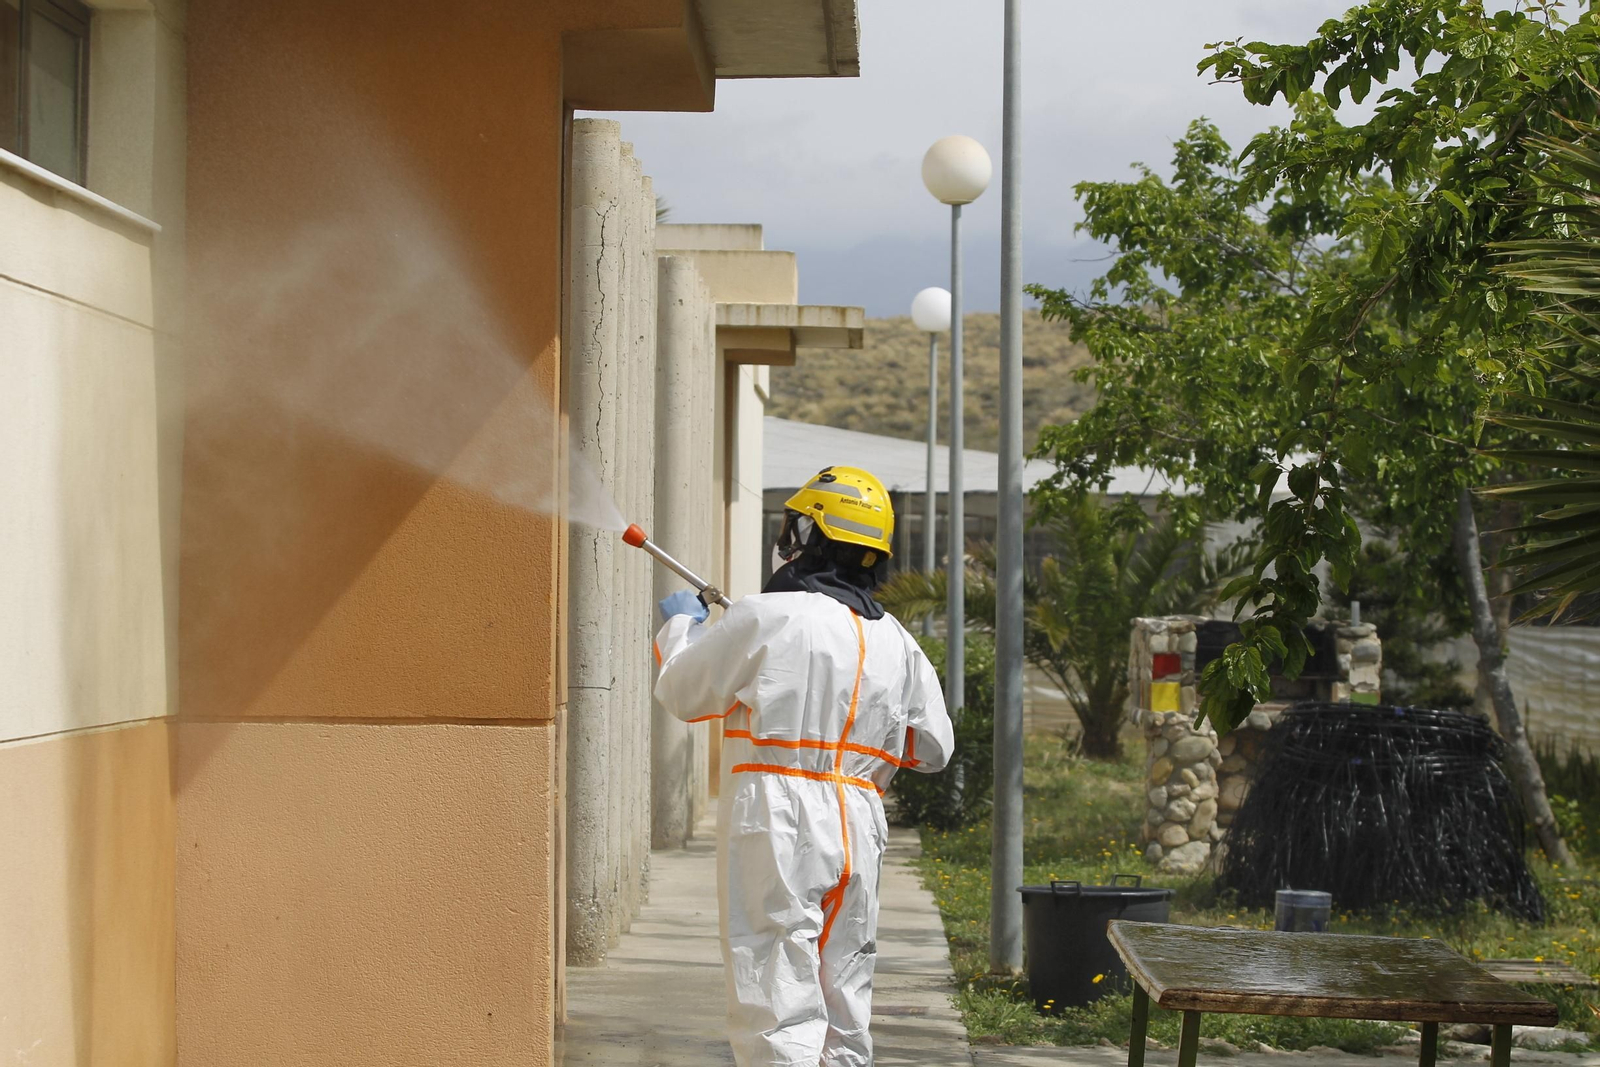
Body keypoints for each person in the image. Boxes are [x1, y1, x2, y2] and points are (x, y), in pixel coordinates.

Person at [652, 465, 954, 1067]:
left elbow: (683, 693)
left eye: (795, 527)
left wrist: (681, 626)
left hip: (779, 815)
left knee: (776, 985)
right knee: (844, 991)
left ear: (811, 534)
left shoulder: (769, 615)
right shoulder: (898, 640)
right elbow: (932, 749)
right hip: (859, 820)